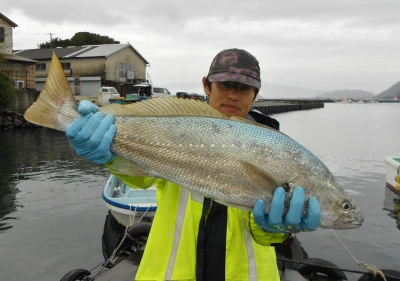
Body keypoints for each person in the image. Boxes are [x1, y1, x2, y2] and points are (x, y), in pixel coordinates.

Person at [66, 48, 321, 281]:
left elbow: (264, 234)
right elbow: (141, 178)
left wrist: (277, 228)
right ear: (206, 86)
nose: (233, 94)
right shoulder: (177, 126)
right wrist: (111, 156)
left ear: (255, 95)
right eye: (225, 85)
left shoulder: (275, 151)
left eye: (243, 88)